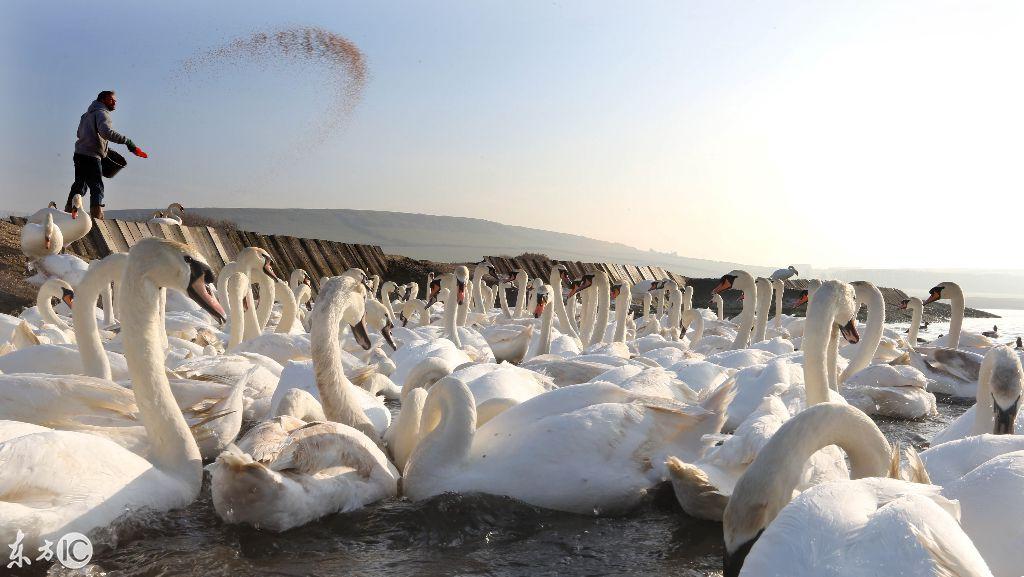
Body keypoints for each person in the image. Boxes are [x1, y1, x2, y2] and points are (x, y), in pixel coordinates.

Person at [65, 90, 147, 220]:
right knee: (97, 186)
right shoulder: (102, 113)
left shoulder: (85, 115)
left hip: (80, 153)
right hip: (92, 156)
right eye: (111, 99)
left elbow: (79, 134)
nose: (115, 102)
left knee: (80, 184)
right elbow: (106, 132)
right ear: (103, 100)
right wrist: (127, 142)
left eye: (115, 100)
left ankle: (69, 213)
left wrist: (103, 148)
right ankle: (97, 217)